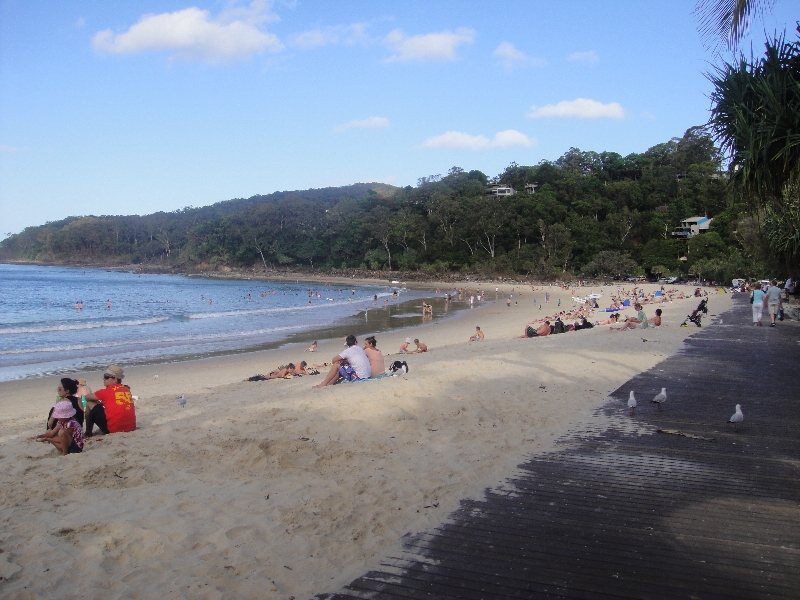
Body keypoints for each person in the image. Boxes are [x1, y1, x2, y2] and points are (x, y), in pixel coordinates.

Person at [80, 365, 136, 437]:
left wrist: (99, 403)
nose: (103, 379)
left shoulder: (105, 391)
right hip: (131, 427)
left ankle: (88, 432)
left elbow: (87, 397)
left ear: (115, 379)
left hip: (113, 429)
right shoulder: (126, 389)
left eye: (106, 377)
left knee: (90, 403)